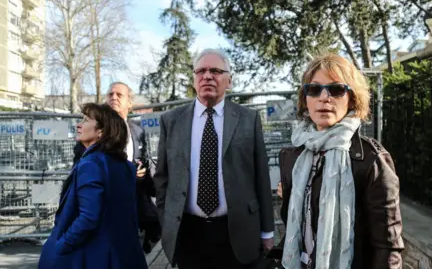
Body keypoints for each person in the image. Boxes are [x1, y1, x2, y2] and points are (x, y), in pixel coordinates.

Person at [277, 54, 404, 269]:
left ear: (352, 98)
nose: (324, 97)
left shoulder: (371, 160)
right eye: (314, 89)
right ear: (305, 99)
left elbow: (388, 246)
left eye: (336, 89)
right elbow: (295, 222)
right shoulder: (293, 157)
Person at [153, 48, 275, 269]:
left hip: (237, 231)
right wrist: (167, 220)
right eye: (201, 71)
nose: (207, 76)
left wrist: (267, 230)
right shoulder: (171, 121)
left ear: (229, 81)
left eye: (216, 71)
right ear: (194, 79)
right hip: (188, 233)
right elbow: (162, 178)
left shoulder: (248, 119)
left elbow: (261, 178)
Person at [38, 103, 147, 269]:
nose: (79, 124)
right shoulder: (124, 165)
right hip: (123, 254)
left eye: (87, 120)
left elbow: (88, 217)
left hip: (94, 256)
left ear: (101, 132)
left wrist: (59, 246)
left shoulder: (92, 163)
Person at [73, 82, 160, 253]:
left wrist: (142, 174)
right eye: (110, 94)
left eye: (119, 95)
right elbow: (80, 171)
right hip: (103, 216)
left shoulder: (138, 131)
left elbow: (144, 163)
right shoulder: (91, 130)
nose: (113, 97)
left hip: (135, 213)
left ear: (130, 103)